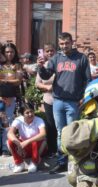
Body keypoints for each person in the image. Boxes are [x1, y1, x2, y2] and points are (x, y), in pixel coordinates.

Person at [37, 32, 91, 174]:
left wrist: (84, 97)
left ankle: (74, 162)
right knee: (61, 132)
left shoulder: (81, 58)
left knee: (72, 132)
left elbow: (88, 80)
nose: (64, 46)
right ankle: (62, 161)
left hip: (74, 102)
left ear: (72, 42)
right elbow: (46, 75)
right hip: (58, 101)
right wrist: (41, 67)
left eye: (66, 43)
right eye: (61, 43)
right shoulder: (56, 58)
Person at [7, 103, 47, 173]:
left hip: (37, 148)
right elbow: (10, 133)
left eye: (31, 111)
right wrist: (19, 144)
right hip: (24, 149)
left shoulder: (39, 120)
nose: (30, 114)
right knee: (9, 141)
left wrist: (27, 141)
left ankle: (34, 162)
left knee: (37, 141)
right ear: (22, 114)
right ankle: (19, 163)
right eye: (27, 113)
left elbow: (43, 134)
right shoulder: (18, 120)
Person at [0, 43, 23, 157]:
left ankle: (5, 148)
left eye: (12, 52)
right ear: (3, 53)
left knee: (7, 123)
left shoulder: (17, 65)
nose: (9, 54)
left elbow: (18, 81)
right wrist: (10, 78)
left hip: (11, 98)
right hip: (0, 97)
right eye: (7, 52)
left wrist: (4, 80)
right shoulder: (0, 65)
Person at [35, 43, 57, 157]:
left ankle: (61, 149)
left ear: (55, 51)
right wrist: (47, 87)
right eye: (47, 51)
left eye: (51, 51)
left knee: (60, 125)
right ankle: (52, 149)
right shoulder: (43, 65)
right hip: (48, 99)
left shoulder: (59, 63)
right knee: (50, 125)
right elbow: (37, 83)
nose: (50, 53)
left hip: (60, 99)